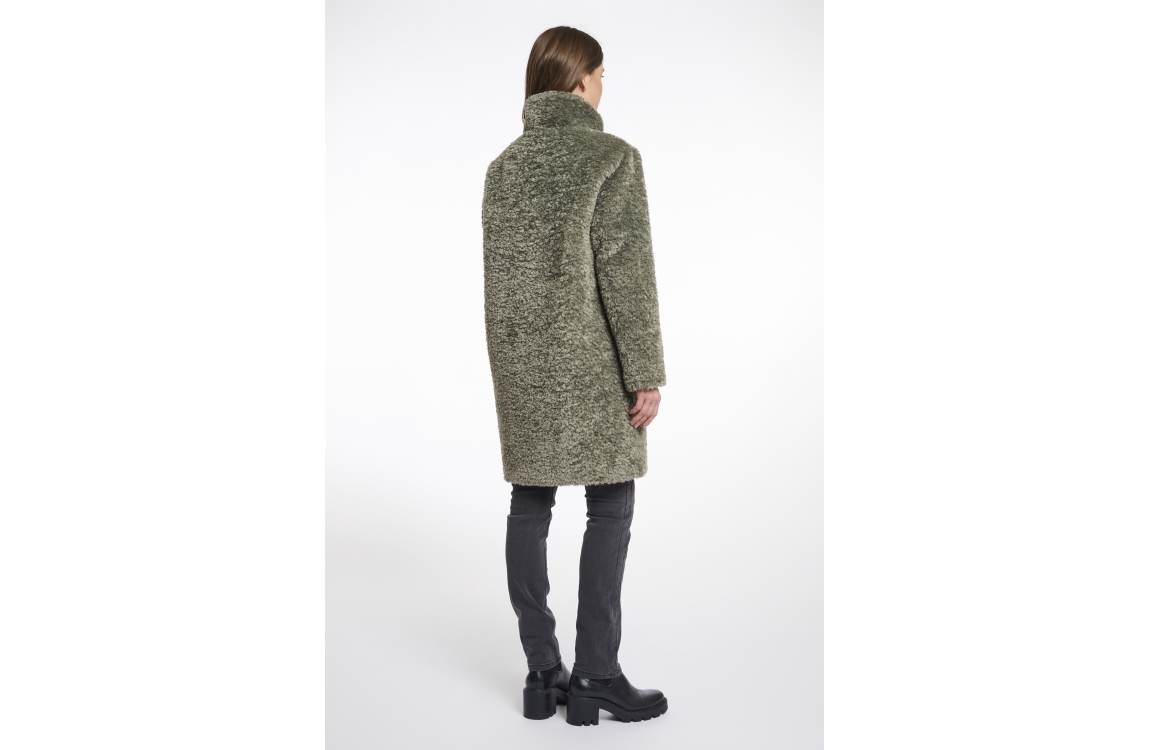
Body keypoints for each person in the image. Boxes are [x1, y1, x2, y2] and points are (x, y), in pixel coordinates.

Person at [481, 26, 669, 726]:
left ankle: (541, 673)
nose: (602, 85)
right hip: (593, 367)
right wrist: (643, 371)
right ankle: (595, 675)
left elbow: (498, 282)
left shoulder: (503, 167)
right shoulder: (611, 157)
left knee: (529, 505)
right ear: (581, 78)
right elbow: (627, 276)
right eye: (601, 73)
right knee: (610, 504)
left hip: (522, 368)